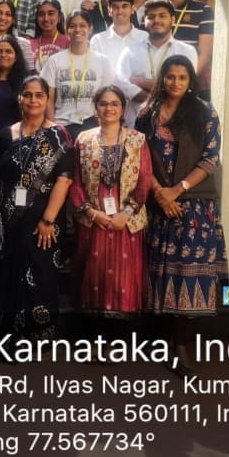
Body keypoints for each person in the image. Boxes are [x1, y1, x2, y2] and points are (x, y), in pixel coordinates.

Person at [136, 55, 227, 373]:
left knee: (190, 275)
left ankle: (183, 347)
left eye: (182, 77)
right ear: (162, 79)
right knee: (160, 273)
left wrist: (179, 189)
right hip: (159, 205)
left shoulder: (204, 112)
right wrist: (161, 193)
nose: (175, 82)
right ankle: (160, 342)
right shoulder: (146, 115)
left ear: (191, 81)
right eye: (170, 76)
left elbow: (211, 157)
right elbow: (141, 158)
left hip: (195, 207)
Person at [0, 76, 74, 341]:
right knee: (10, 275)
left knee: (41, 275)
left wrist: (47, 220)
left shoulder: (58, 136)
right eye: (28, 94)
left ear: (47, 100)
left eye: (39, 95)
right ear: (20, 98)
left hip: (44, 221)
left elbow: (64, 178)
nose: (33, 100)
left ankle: (39, 337)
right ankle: (9, 335)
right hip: (10, 219)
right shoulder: (5, 135)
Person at [70, 85, 152, 316]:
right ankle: (95, 340)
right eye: (103, 103)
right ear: (95, 108)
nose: (109, 108)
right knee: (93, 277)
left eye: (114, 103)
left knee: (124, 280)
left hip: (127, 221)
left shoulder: (137, 140)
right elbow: (75, 182)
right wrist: (92, 213)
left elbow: (144, 180)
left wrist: (125, 214)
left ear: (123, 109)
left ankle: (118, 343)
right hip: (94, 220)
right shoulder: (83, 140)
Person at [39, 10, 119, 138]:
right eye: (72, 26)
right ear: (66, 30)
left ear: (90, 29)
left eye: (82, 25)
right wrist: (53, 127)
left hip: (92, 125)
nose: (77, 29)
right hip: (62, 125)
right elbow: (48, 98)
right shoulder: (55, 60)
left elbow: (107, 96)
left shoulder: (102, 61)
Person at [116, 0, 198, 108]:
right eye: (151, 17)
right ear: (144, 20)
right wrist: (160, 97)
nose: (156, 21)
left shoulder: (186, 51)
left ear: (173, 20)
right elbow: (121, 84)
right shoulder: (130, 51)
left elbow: (184, 86)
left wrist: (140, 81)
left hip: (173, 120)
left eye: (162, 16)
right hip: (135, 121)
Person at [0, 0, 34, 72]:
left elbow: (31, 74)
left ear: (13, 19)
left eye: (8, 14)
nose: (3, 18)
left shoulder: (23, 44)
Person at [29, 0, 70, 72]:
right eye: (41, 14)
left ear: (60, 16)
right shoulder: (29, 44)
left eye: (51, 13)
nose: (46, 19)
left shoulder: (68, 42)